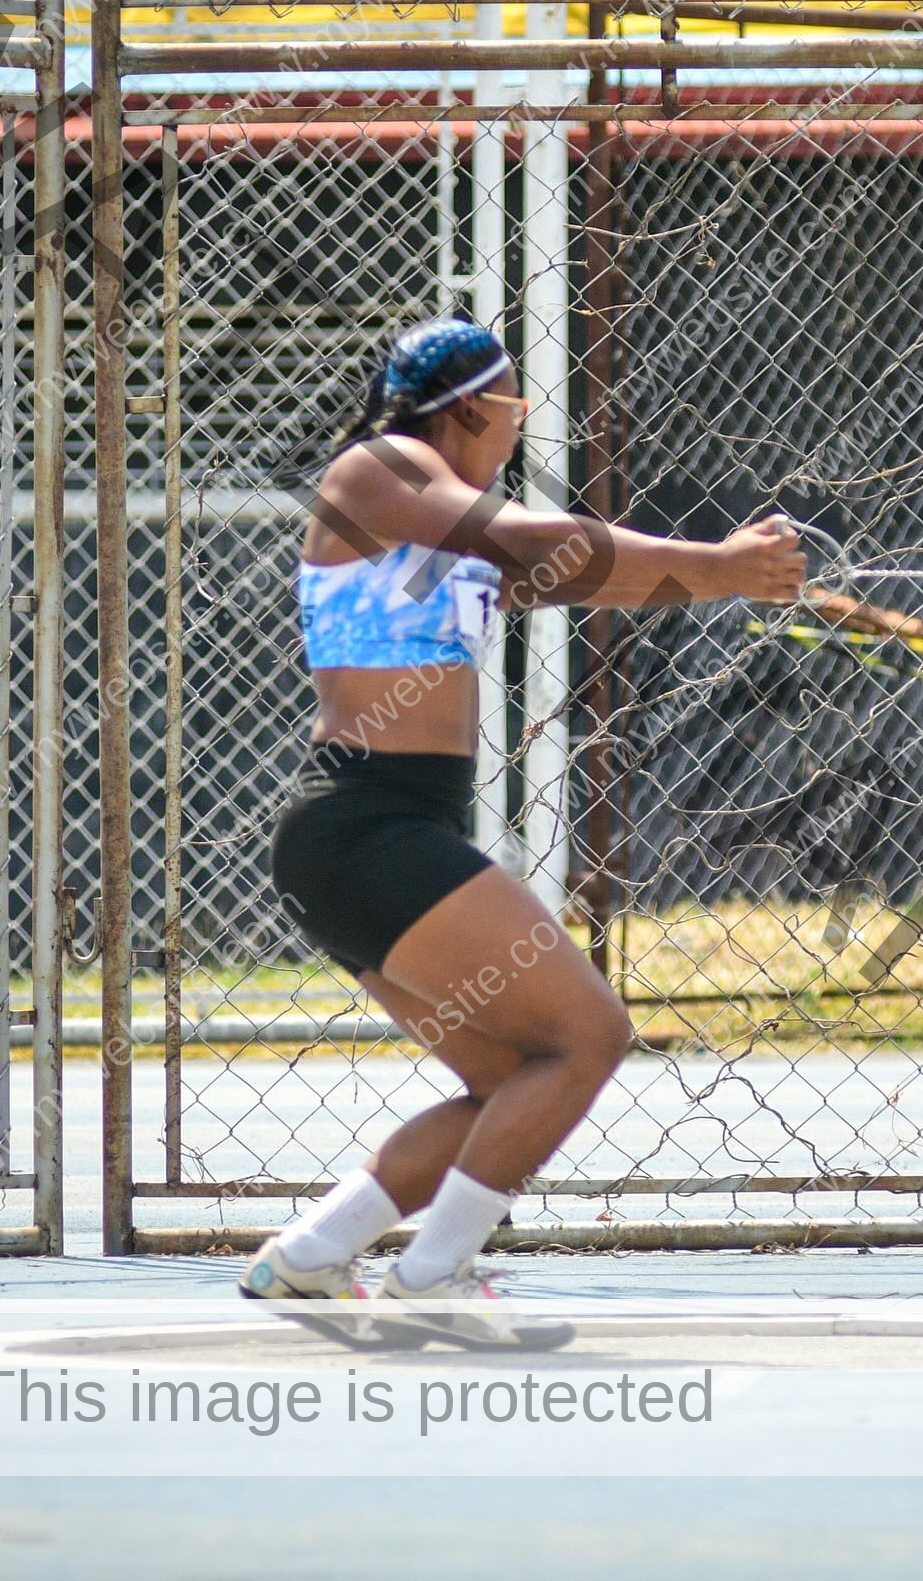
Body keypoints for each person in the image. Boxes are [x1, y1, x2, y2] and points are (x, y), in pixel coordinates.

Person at [239, 318, 806, 1348]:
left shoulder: (448, 525)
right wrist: (719, 564)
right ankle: (435, 1278)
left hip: (378, 837)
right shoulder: (379, 469)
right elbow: (531, 540)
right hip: (367, 827)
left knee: (513, 1081)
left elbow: (593, 570)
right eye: (512, 412)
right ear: (468, 409)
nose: (516, 430)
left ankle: (314, 1253)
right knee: (589, 1034)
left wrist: (726, 576)